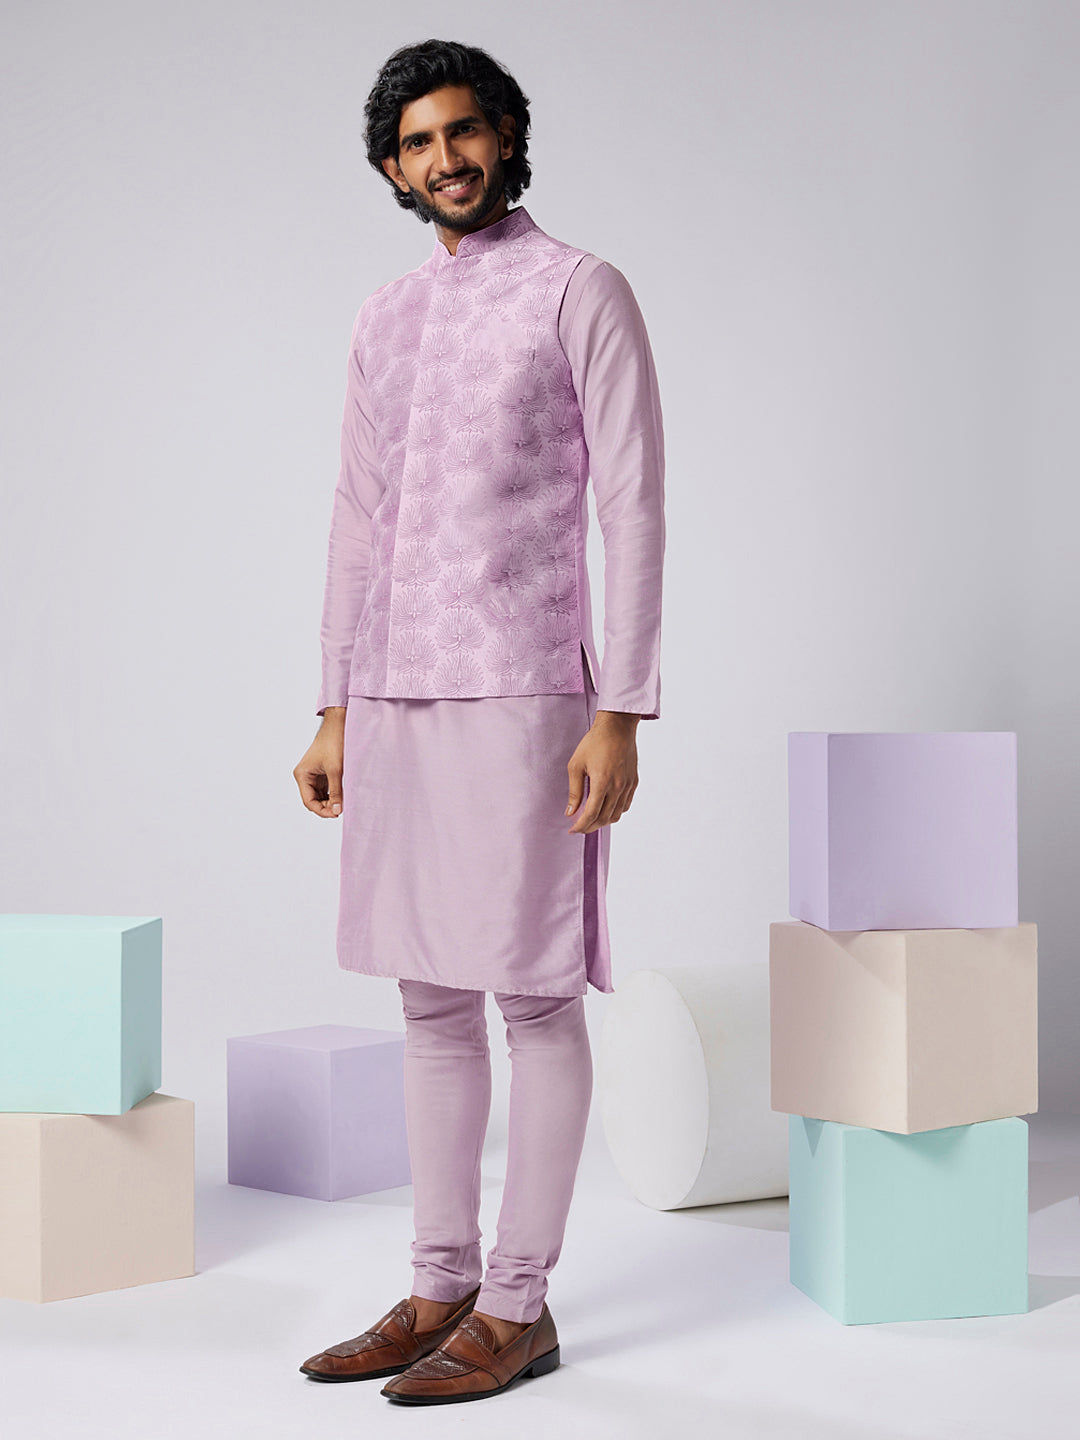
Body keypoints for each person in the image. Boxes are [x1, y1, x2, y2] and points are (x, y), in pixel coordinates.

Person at [293, 37, 665, 1405]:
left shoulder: (579, 289)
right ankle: (438, 1285)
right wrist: (331, 705)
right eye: (416, 144)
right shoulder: (385, 316)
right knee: (428, 996)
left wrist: (621, 709)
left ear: (505, 134)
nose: (442, 159)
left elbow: (634, 506)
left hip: (525, 687)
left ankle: (517, 1305)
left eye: (462, 131)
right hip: (394, 689)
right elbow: (357, 515)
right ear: (392, 169)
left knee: (534, 992)